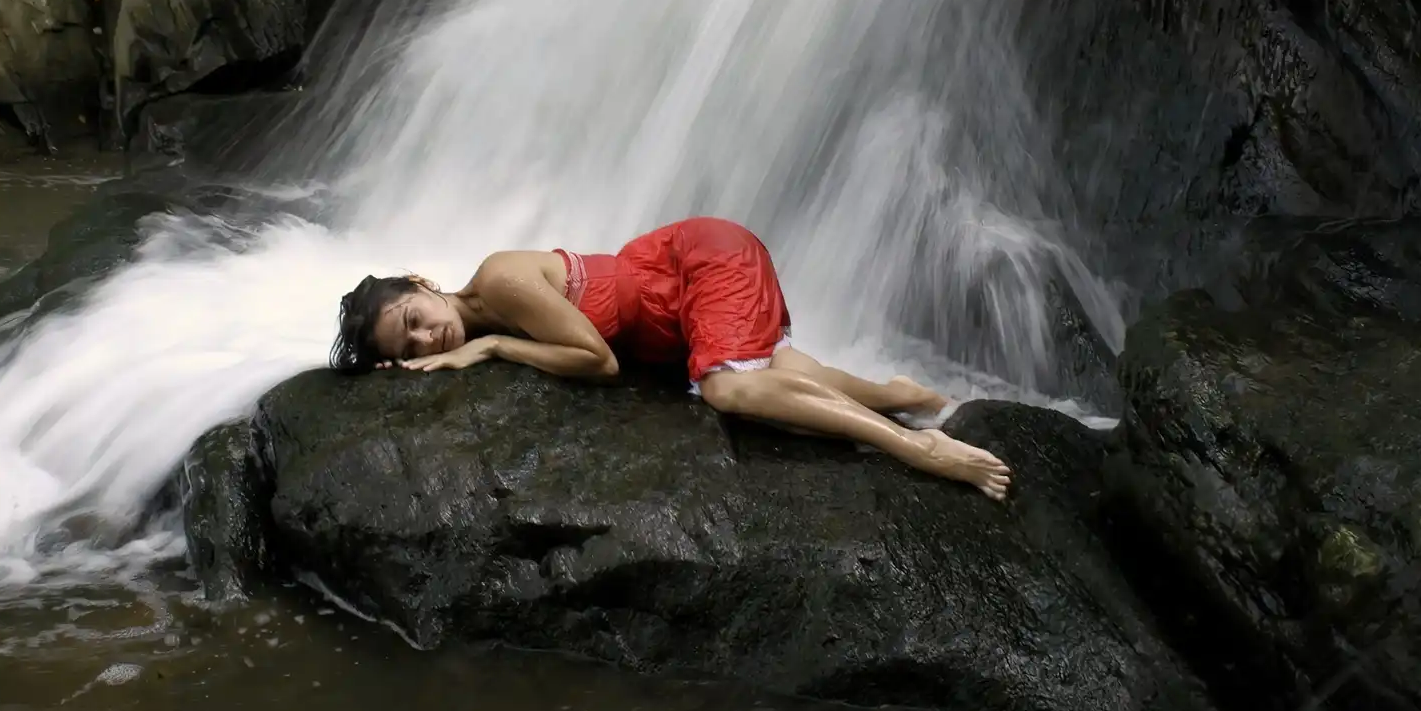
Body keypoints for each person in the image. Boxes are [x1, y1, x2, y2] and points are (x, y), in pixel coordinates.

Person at [331, 216, 1011, 499]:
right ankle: (901, 394)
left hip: (698, 265)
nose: (427, 341)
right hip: (678, 310)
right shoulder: (481, 303)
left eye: (414, 320)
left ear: (423, 283)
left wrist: (492, 347)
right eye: (408, 347)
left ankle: (916, 448)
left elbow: (596, 361)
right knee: (766, 380)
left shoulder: (500, 281)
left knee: (727, 392)